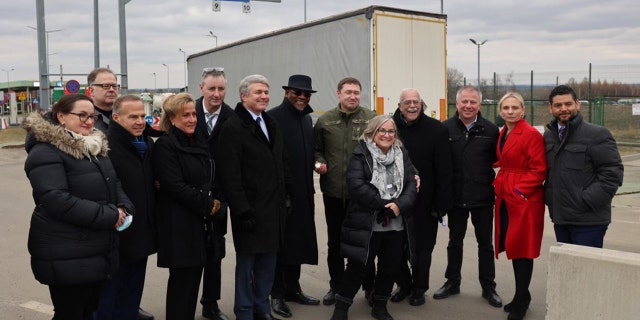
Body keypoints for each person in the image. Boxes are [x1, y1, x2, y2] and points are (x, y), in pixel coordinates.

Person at [22, 93, 134, 320]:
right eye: (82, 115)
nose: (89, 121)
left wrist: (124, 206)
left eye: (92, 116)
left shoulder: (94, 146)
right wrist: (111, 215)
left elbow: (114, 183)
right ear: (61, 116)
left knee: (86, 311)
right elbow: (56, 200)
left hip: (96, 249)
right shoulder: (45, 151)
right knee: (70, 313)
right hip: (65, 251)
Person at [330, 115, 417, 320]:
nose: (387, 135)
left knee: (389, 267)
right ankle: (341, 307)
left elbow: (411, 185)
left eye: (391, 131)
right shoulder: (361, 153)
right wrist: (383, 204)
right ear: (372, 132)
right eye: (382, 131)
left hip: (396, 223)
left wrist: (398, 205)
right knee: (358, 267)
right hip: (367, 223)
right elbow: (356, 185)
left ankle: (380, 305)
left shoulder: (402, 153)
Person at [218, 74, 290, 320]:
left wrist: (285, 197)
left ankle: (262, 308)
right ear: (243, 96)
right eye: (258, 92)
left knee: (268, 265)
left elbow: (281, 162)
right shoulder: (233, 127)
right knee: (247, 266)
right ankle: (245, 311)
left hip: (273, 210)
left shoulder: (270, 123)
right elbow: (230, 175)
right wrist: (242, 210)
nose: (264, 96)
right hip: (249, 212)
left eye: (266, 92)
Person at [153, 93, 223, 320]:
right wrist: (210, 205)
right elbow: (174, 186)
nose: (192, 119)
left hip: (202, 225)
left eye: (193, 114)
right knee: (182, 286)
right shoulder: (166, 145)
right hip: (179, 224)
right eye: (185, 115)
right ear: (172, 119)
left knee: (194, 282)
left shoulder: (198, 141)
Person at [437, 85, 502, 307]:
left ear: (479, 105)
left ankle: (488, 287)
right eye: (464, 101)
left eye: (473, 102)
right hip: (455, 198)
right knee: (454, 242)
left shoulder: (492, 131)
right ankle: (452, 282)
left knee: (485, 244)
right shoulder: (444, 129)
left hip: (483, 197)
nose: (468, 106)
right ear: (457, 103)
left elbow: (498, 160)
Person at [313, 77, 377, 305]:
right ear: (339, 93)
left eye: (356, 93)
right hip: (333, 193)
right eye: (348, 92)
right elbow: (317, 150)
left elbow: (387, 147)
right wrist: (318, 162)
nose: (353, 96)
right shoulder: (325, 121)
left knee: (364, 243)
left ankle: (370, 287)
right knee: (336, 243)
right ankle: (336, 286)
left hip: (362, 195)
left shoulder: (371, 119)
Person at [95, 95, 157, 320]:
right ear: (116, 118)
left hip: (141, 231)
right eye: (133, 117)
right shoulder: (105, 148)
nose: (140, 121)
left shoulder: (146, 144)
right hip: (117, 233)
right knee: (109, 297)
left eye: (142, 116)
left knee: (132, 293)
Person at [390, 88, 453, 306]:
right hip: (394, 201)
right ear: (399, 106)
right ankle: (404, 284)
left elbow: (445, 169)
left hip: (426, 202)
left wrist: (441, 203)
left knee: (422, 249)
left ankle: (419, 288)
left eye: (416, 101)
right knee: (395, 248)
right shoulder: (389, 127)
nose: (412, 106)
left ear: (422, 104)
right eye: (407, 102)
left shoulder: (436, 130)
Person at [544, 85, 623, 248]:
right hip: (561, 219)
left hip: (589, 222)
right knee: (566, 269)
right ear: (551, 109)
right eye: (558, 105)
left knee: (586, 271)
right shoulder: (549, 136)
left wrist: (585, 201)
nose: (564, 109)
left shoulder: (597, 134)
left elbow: (612, 175)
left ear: (577, 105)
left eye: (568, 104)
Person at [267, 75, 320, 318]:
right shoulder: (274, 118)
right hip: (281, 195)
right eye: (297, 93)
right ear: (287, 92)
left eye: (306, 94)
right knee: (281, 246)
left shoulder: (306, 119)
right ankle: (276, 294)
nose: (301, 97)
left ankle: (292, 288)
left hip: (304, 192)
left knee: (298, 242)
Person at [493, 92, 547, 320]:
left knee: (523, 250)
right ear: (500, 111)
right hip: (507, 195)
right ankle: (520, 296)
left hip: (523, 199)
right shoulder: (504, 132)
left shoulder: (531, 134)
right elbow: (506, 158)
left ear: (523, 110)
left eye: (515, 107)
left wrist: (519, 190)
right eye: (506, 108)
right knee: (514, 247)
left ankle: (522, 299)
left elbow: (539, 169)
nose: (510, 111)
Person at [195, 67, 234, 320]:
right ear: (201, 89)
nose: (216, 94)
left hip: (219, 197)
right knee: (187, 255)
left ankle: (210, 303)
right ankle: (184, 303)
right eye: (212, 88)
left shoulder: (232, 117)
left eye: (221, 89)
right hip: (189, 195)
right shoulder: (187, 111)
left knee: (215, 253)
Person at [87, 68, 119, 133]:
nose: (111, 89)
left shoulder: (124, 115)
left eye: (114, 86)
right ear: (91, 90)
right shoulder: (84, 118)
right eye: (106, 86)